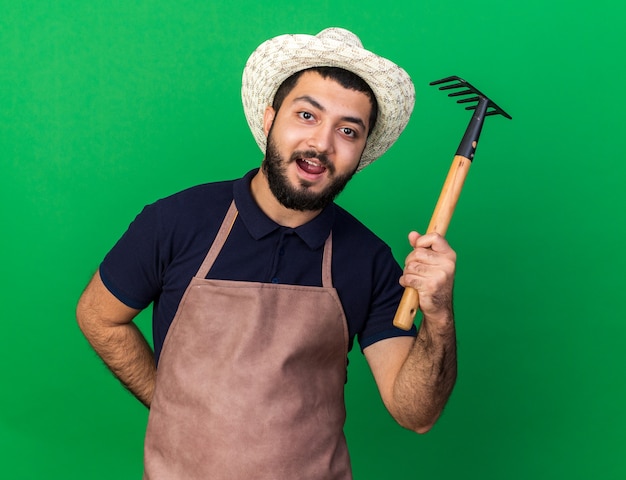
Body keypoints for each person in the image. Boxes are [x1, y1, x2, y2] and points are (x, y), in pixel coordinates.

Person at [76, 27, 457, 479]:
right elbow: (98, 315)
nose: (322, 144)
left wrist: (439, 315)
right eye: (307, 115)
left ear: (362, 151)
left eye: (348, 130)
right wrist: (170, 402)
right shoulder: (176, 221)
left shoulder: (368, 260)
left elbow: (415, 413)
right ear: (270, 117)